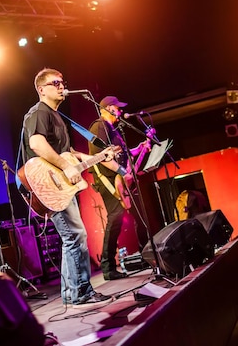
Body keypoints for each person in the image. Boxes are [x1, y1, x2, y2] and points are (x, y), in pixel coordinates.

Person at [20, 68, 113, 308]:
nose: (62, 86)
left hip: (61, 184)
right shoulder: (40, 112)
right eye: (55, 83)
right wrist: (65, 166)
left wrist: (99, 156)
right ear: (42, 89)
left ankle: (72, 293)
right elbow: (37, 143)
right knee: (75, 236)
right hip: (50, 184)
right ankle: (81, 292)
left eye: (62, 82)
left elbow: (68, 154)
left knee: (70, 238)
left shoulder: (57, 117)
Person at [88, 96, 152, 280]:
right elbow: (101, 157)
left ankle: (147, 254)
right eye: (118, 108)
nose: (120, 111)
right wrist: (124, 172)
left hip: (120, 179)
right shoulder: (99, 127)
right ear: (109, 108)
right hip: (108, 181)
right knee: (115, 219)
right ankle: (108, 268)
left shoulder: (113, 131)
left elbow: (123, 154)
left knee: (132, 216)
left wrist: (139, 148)